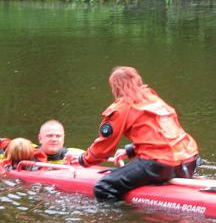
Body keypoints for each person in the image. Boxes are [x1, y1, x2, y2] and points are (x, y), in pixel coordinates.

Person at [70, 66, 200, 201]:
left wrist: (83, 160)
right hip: (190, 162)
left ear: (115, 87)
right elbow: (167, 134)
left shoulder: (121, 107)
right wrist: (131, 150)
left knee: (103, 187)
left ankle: (119, 220)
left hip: (160, 166)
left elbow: (103, 147)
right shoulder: (154, 98)